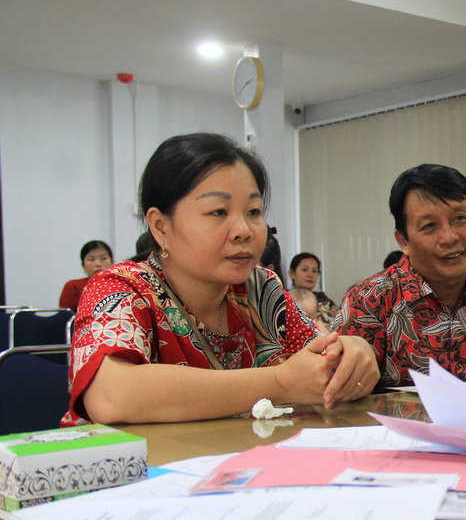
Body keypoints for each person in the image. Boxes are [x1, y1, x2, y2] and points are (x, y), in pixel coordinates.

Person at [63, 132, 379, 426]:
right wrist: (280, 383)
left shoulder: (261, 289)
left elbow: (318, 364)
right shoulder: (121, 288)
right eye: (218, 212)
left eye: (254, 212)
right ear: (160, 227)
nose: (244, 230)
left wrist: (351, 353)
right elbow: (112, 396)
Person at [333, 163, 466, 387]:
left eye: (460, 219)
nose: (449, 237)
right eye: (429, 225)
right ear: (404, 240)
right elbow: (340, 398)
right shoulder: (368, 302)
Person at [288, 253, 338, 328]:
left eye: (314, 271)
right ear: (292, 273)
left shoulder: (326, 302)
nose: (310, 275)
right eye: (304, 270)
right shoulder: (285, 300)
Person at [59, 240, 113, 310]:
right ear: (83, 265)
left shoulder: (122, 285)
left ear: (112, 263)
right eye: (91, 259)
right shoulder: (72, 287)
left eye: (103, 258)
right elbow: (65, 317)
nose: (98, 264)